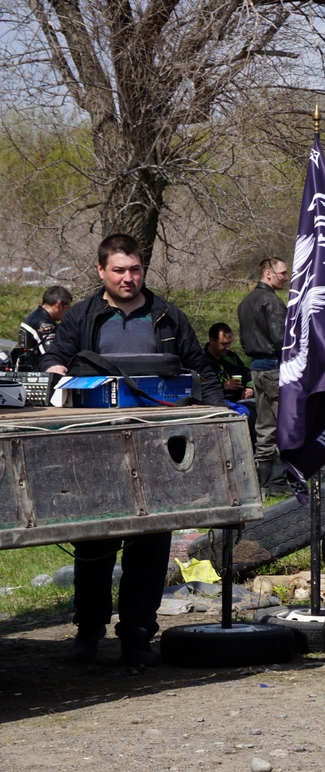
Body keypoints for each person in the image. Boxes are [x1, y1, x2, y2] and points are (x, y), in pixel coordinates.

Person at [43, 233, 224, 667]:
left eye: (136, 269)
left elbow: (200, 369)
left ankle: (138, 634)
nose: (129, 278)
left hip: (157, 450)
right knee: (95, 544)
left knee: (150, 545)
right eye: (119, 270)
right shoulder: (82, 316)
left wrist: (221, 417)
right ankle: (88, 632)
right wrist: (53, 371)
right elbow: (52, 365)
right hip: (94, 451)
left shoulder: (166, 316)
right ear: (101, 271)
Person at [238, 256, 290, 495]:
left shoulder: (246, 302)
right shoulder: (273, 302)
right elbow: (282, 340)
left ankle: (262, 485)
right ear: (268, 274)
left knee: (264, 426)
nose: (286, 278)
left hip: (256, 369)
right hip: (274, 368)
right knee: (285, 425)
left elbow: (243, 339)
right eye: (282, 273)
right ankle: (278, 483)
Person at [17, 286, 72, 368]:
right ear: (59, 304)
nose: (67, 312)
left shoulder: (32, 317)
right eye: (67, 308)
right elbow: (52, 353)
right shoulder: (45, 324)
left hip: (25, 368)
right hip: (38, 372)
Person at [204, 323, 253, 403]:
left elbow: (249, 374)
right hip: (214, 402)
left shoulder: (231, 357)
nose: (228, 348)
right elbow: (199, 387)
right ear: (211, 340)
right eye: (223, 344)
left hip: (238, 401)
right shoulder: (201, 360)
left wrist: (249, 388)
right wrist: (223, 386)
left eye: (229, 343)